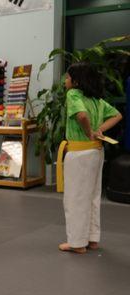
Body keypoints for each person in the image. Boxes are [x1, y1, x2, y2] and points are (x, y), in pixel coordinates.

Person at [57, 62, 122, 253]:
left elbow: (82, 116)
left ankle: (77, 243)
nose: (65, 82)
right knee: (93, 195)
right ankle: (92, 239)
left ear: (76, 81)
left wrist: (88, 132)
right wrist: (99, 130)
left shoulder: (73, 95)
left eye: (68, 78)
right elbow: (117, 115)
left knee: (76, 197)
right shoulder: (96, 99)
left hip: (79, 152)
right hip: (96, 152)